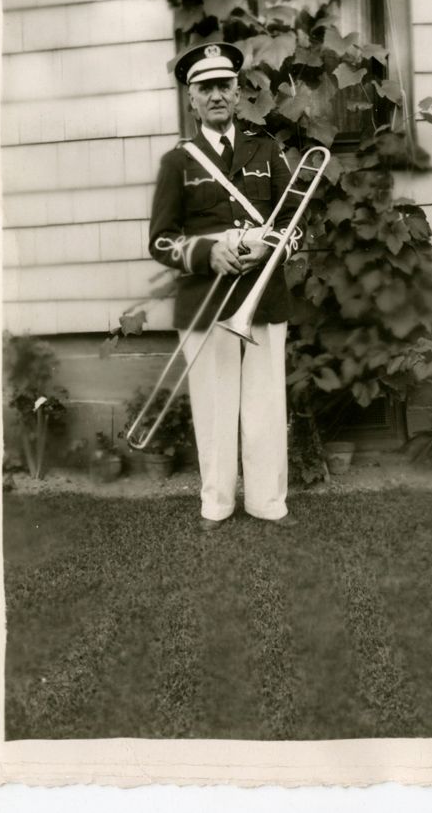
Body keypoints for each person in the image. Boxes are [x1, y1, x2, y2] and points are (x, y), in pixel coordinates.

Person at [148, 41, 300, 532]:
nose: (216, 95)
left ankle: (267, 502)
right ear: (191, 99)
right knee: (214, 409)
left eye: (224, 86)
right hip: (205, 300)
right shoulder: (178, 163)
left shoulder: (265, 149)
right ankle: (216, 503)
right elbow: (161, 241)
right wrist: (205, 252)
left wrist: (270, 246)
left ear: (238, 93)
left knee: (265, 406)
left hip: (263, 297)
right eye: (205, 87)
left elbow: (295, 221)